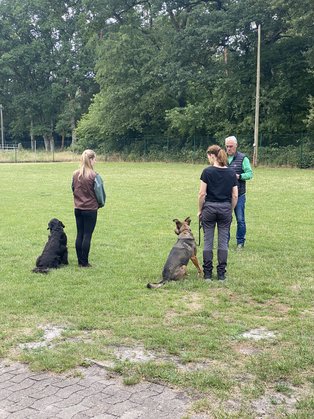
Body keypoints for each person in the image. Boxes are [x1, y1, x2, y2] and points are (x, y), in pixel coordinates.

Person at [198, 145, 238, 281]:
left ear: (212, 156)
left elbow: (202, 194)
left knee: (208, 241)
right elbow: (235, 196)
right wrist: (230, 209)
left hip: (209, 208)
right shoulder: (232, 173)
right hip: (225, 208)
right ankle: (221, 274)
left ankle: (207, 274)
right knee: (223, 242)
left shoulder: (207, 172)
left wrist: (199, 210)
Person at [72, 149, 104, 267]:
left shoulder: (75, 174)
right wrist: (99, 204)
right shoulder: (95, 176)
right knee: (87, 235)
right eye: (94, 159)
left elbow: (73, 188)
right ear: (91, 160)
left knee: (79, 234)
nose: (95, 161)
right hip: (90, 209)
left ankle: (80, 260)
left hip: (78, 208)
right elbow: (99, 194)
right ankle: (84, 263)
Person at [225, 136, 253, 250]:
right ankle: (224, 242)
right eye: (227, 146)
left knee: (240, 219)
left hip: (239, 194)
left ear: (236, 146)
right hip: (225, 195)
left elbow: (250, 174)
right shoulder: (223, 158)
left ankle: (240, 243)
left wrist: (239, 176)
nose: (229, 148)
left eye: (231, 146)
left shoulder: (243, 158)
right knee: (225, 219)